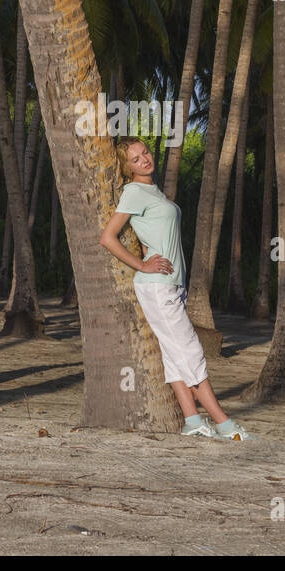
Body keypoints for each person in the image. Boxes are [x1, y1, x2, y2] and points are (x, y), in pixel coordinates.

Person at [99, 137, 253, 441]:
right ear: (127, 168)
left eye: (144, 152)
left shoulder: (154, 191)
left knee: (175, 355)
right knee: (191, 351)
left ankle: (193, 421)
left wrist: (148, 248)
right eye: (135, 159)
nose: (144, 159)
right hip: (157, 287)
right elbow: (108, 237)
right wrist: (142, 264)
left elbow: (152, 231)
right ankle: (224, 423)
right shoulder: (133, 192)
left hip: (171, 286)